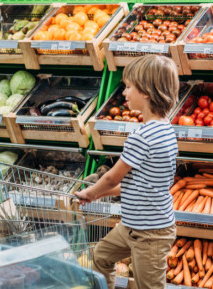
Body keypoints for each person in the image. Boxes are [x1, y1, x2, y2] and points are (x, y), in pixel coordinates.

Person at [75, 54, 179, 289]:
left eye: (128, 87)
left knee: (149, 286)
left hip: (150, 234)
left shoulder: (141, 136)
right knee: (101, 256)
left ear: (146, 92)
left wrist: (90, 192)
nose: (124, 93)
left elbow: (112, 176)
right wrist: (101, 195)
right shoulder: (166, 131)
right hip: (132, 227)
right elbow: (141, 184)